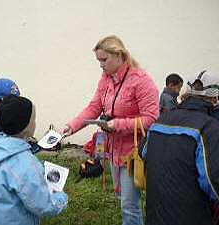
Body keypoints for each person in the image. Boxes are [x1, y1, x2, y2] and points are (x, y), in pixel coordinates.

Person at [62, 35, 159, 225]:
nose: (100, 65)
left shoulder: (141, 81)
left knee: (129, 206)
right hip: (113, 151)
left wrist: (118, 124)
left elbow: (151, 119)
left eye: (104, 60)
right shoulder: (106, 78)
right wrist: (71, 126)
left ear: (119, 55)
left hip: (133, 153)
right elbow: (94, 107)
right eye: (98, 60)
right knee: (122, 200)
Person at [141, 78, 219, 225]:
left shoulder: (160, 121)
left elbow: (143, 152)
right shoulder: (209, 127)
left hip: (155, 215)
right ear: (214, 98)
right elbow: (215, 184)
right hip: (191, 217)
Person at [0, 95, 68, 225]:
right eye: (33, 119)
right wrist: (61, 198)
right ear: (26, 126)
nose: (35, 122)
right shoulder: (24, 163)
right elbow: (42, 205)